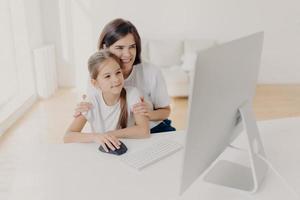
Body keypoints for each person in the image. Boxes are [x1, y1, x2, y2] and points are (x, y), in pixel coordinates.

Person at [74, 18, 176, 133]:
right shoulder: (98, 76)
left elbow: (166, 111)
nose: (127, 54)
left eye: (132, 47)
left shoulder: (151, 71)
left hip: (153, 128)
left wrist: (147, 114)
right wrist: (83, 110)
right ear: (104, 48)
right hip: (117, 134)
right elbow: (94, 108)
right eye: (120, 48)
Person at [64, 50, 149, 152]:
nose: (116, 79)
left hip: (130, 149)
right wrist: (95, 137)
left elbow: (144, 131)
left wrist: (109, 134)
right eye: (107, 76)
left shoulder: (132, 94)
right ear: (95, 83)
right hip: (103, 152)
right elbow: (67, 136)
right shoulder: (91, 101)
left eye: (118, 72)